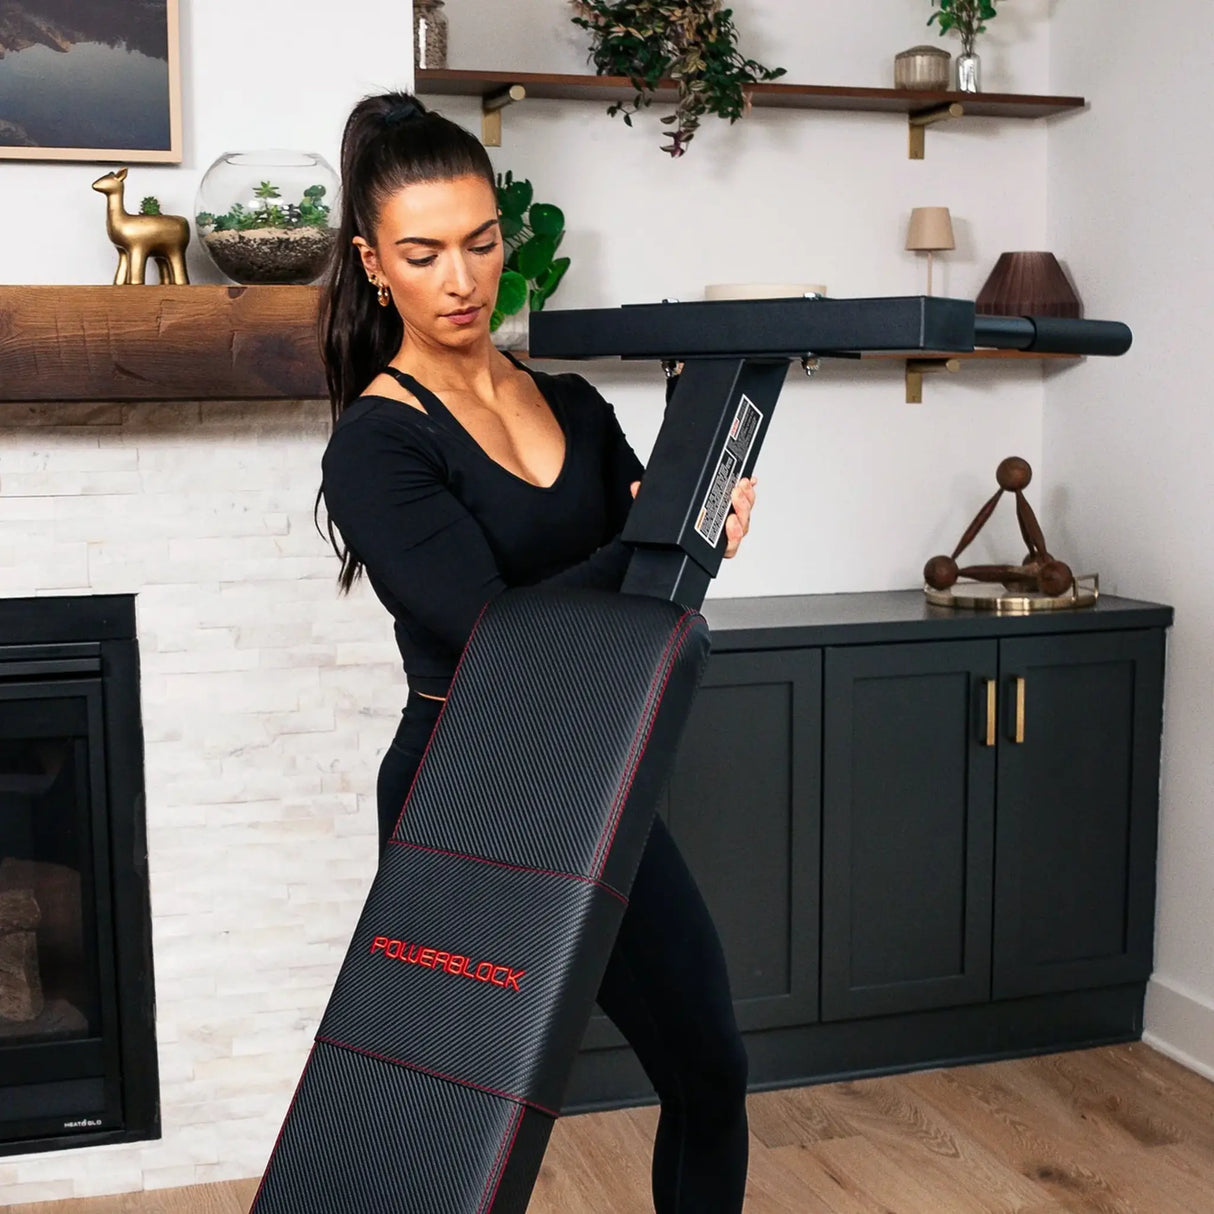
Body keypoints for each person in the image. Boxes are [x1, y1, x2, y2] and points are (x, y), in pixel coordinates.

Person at [316, 90, 758, 1214]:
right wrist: (654, 535)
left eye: (479, 241)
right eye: (423, 254)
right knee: (448, 1123)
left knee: (708, 1066)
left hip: (596, 769)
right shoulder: (375, 443)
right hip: (462, 790)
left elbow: (648, 586)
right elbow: (502, 640)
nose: (461, 279)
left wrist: (701, 531)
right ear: (375, 265)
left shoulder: (564, 396)